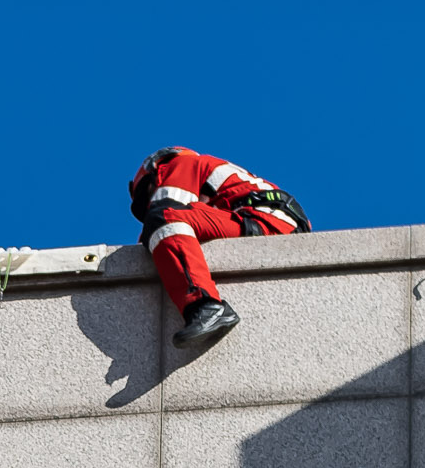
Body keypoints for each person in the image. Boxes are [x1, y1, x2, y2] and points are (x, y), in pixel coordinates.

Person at [127, 147, 310, 347]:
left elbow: (165, 211)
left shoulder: (179, 164)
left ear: (155, 172)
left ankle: (206, 307)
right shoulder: (212, 182)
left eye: (148, 194)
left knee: (163, 216)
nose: (150, 202)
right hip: (269, 220)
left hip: (266, 218)